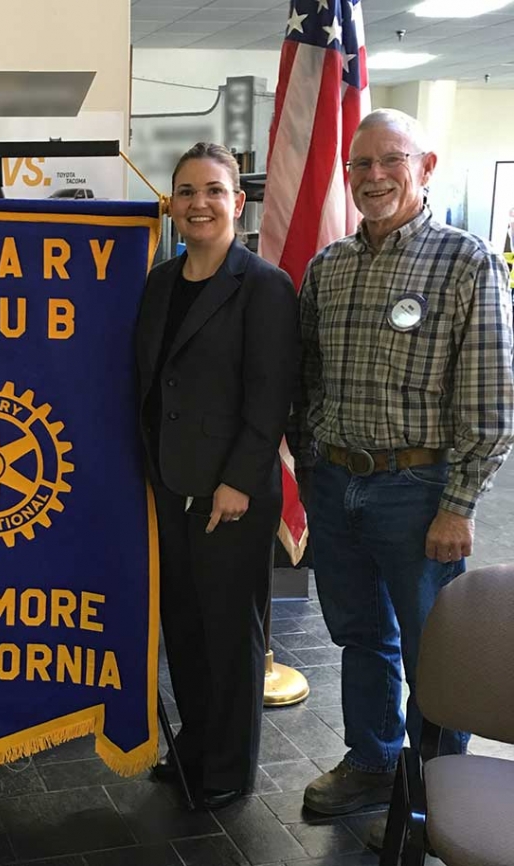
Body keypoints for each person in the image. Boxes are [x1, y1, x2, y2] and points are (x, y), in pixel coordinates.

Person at [290, 109, 514, 825]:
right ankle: (371, 760)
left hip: (418, 494)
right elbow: (309, 379)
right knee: (360, 637)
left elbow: (490, 397)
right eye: (362, 165)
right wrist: (313, 462)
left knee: (432, 652)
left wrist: (460, 503)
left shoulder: (465, 261)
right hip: (335, 482)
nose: (375, 176)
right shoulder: (329, 266)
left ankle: (434, 786)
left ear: (425, 166)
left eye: (392, 160)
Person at [136, 142, 299, 807]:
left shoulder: (263, 285)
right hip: (168, 487)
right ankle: (194, 749)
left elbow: (271, 398)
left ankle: (228, 770)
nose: (197, 203)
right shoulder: (158, 284)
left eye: (212, 191)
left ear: (237, 202)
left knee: (231, 637)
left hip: (229, 494)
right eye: (185, 191)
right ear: (170, 204)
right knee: (185, 630)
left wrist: (236, 483)